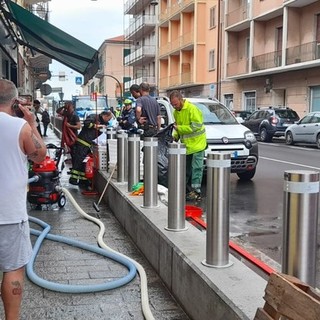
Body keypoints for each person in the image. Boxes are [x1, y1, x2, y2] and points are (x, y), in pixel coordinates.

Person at [0, 79, 47, 320]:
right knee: (13, 270)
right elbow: (39, 156)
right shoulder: (21, 126)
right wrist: (31, 122)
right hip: (9, 213)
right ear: (15, 101)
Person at [169, 90, 207, 201]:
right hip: (187, 145)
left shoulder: (192, 109)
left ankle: (196, 192)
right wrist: (175, 136)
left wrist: (179, 129)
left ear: (181, 100)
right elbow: (177, 127)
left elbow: (196, 126)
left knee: (196, 168)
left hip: (198, 144)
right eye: (172, 105)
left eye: (175, 104)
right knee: (185, 168)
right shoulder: (176, 112)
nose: (174, 107)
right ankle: (183, 189)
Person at [69, 110, 113, 189]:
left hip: (89, 144)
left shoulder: (103, 122)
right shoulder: (93, 117)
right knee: (79, 160)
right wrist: (96, 126)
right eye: (108, 119)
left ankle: (83, 180)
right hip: (82, 142)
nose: (108, 121)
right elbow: (86, 124)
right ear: (105, 116)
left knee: (84, 162)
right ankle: (73, 179)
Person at [56, 101, 81, 167]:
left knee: (74, 152)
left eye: (67, 105)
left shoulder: (75, 116)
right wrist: (64, 106)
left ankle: (75, 167)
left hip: (73, 136)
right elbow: (58, 111)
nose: (66, 106)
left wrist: (70, 126)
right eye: (65, 104)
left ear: (71, 106)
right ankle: (73, 167)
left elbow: (78, 126)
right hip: (67, 136)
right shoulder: (66, 114)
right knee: (71, 153)